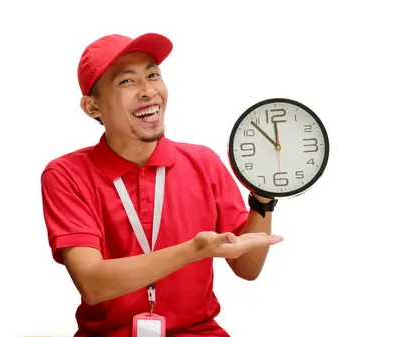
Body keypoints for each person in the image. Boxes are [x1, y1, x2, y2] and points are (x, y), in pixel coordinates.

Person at [40, 32, 284, 337]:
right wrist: (194, 250)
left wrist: (262, 198)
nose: (148, 91)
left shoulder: (203, 162)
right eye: (127, 81)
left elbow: (248, 268)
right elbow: (92, 284)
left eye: (153, 75)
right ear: (92, 107)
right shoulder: (65, 175)